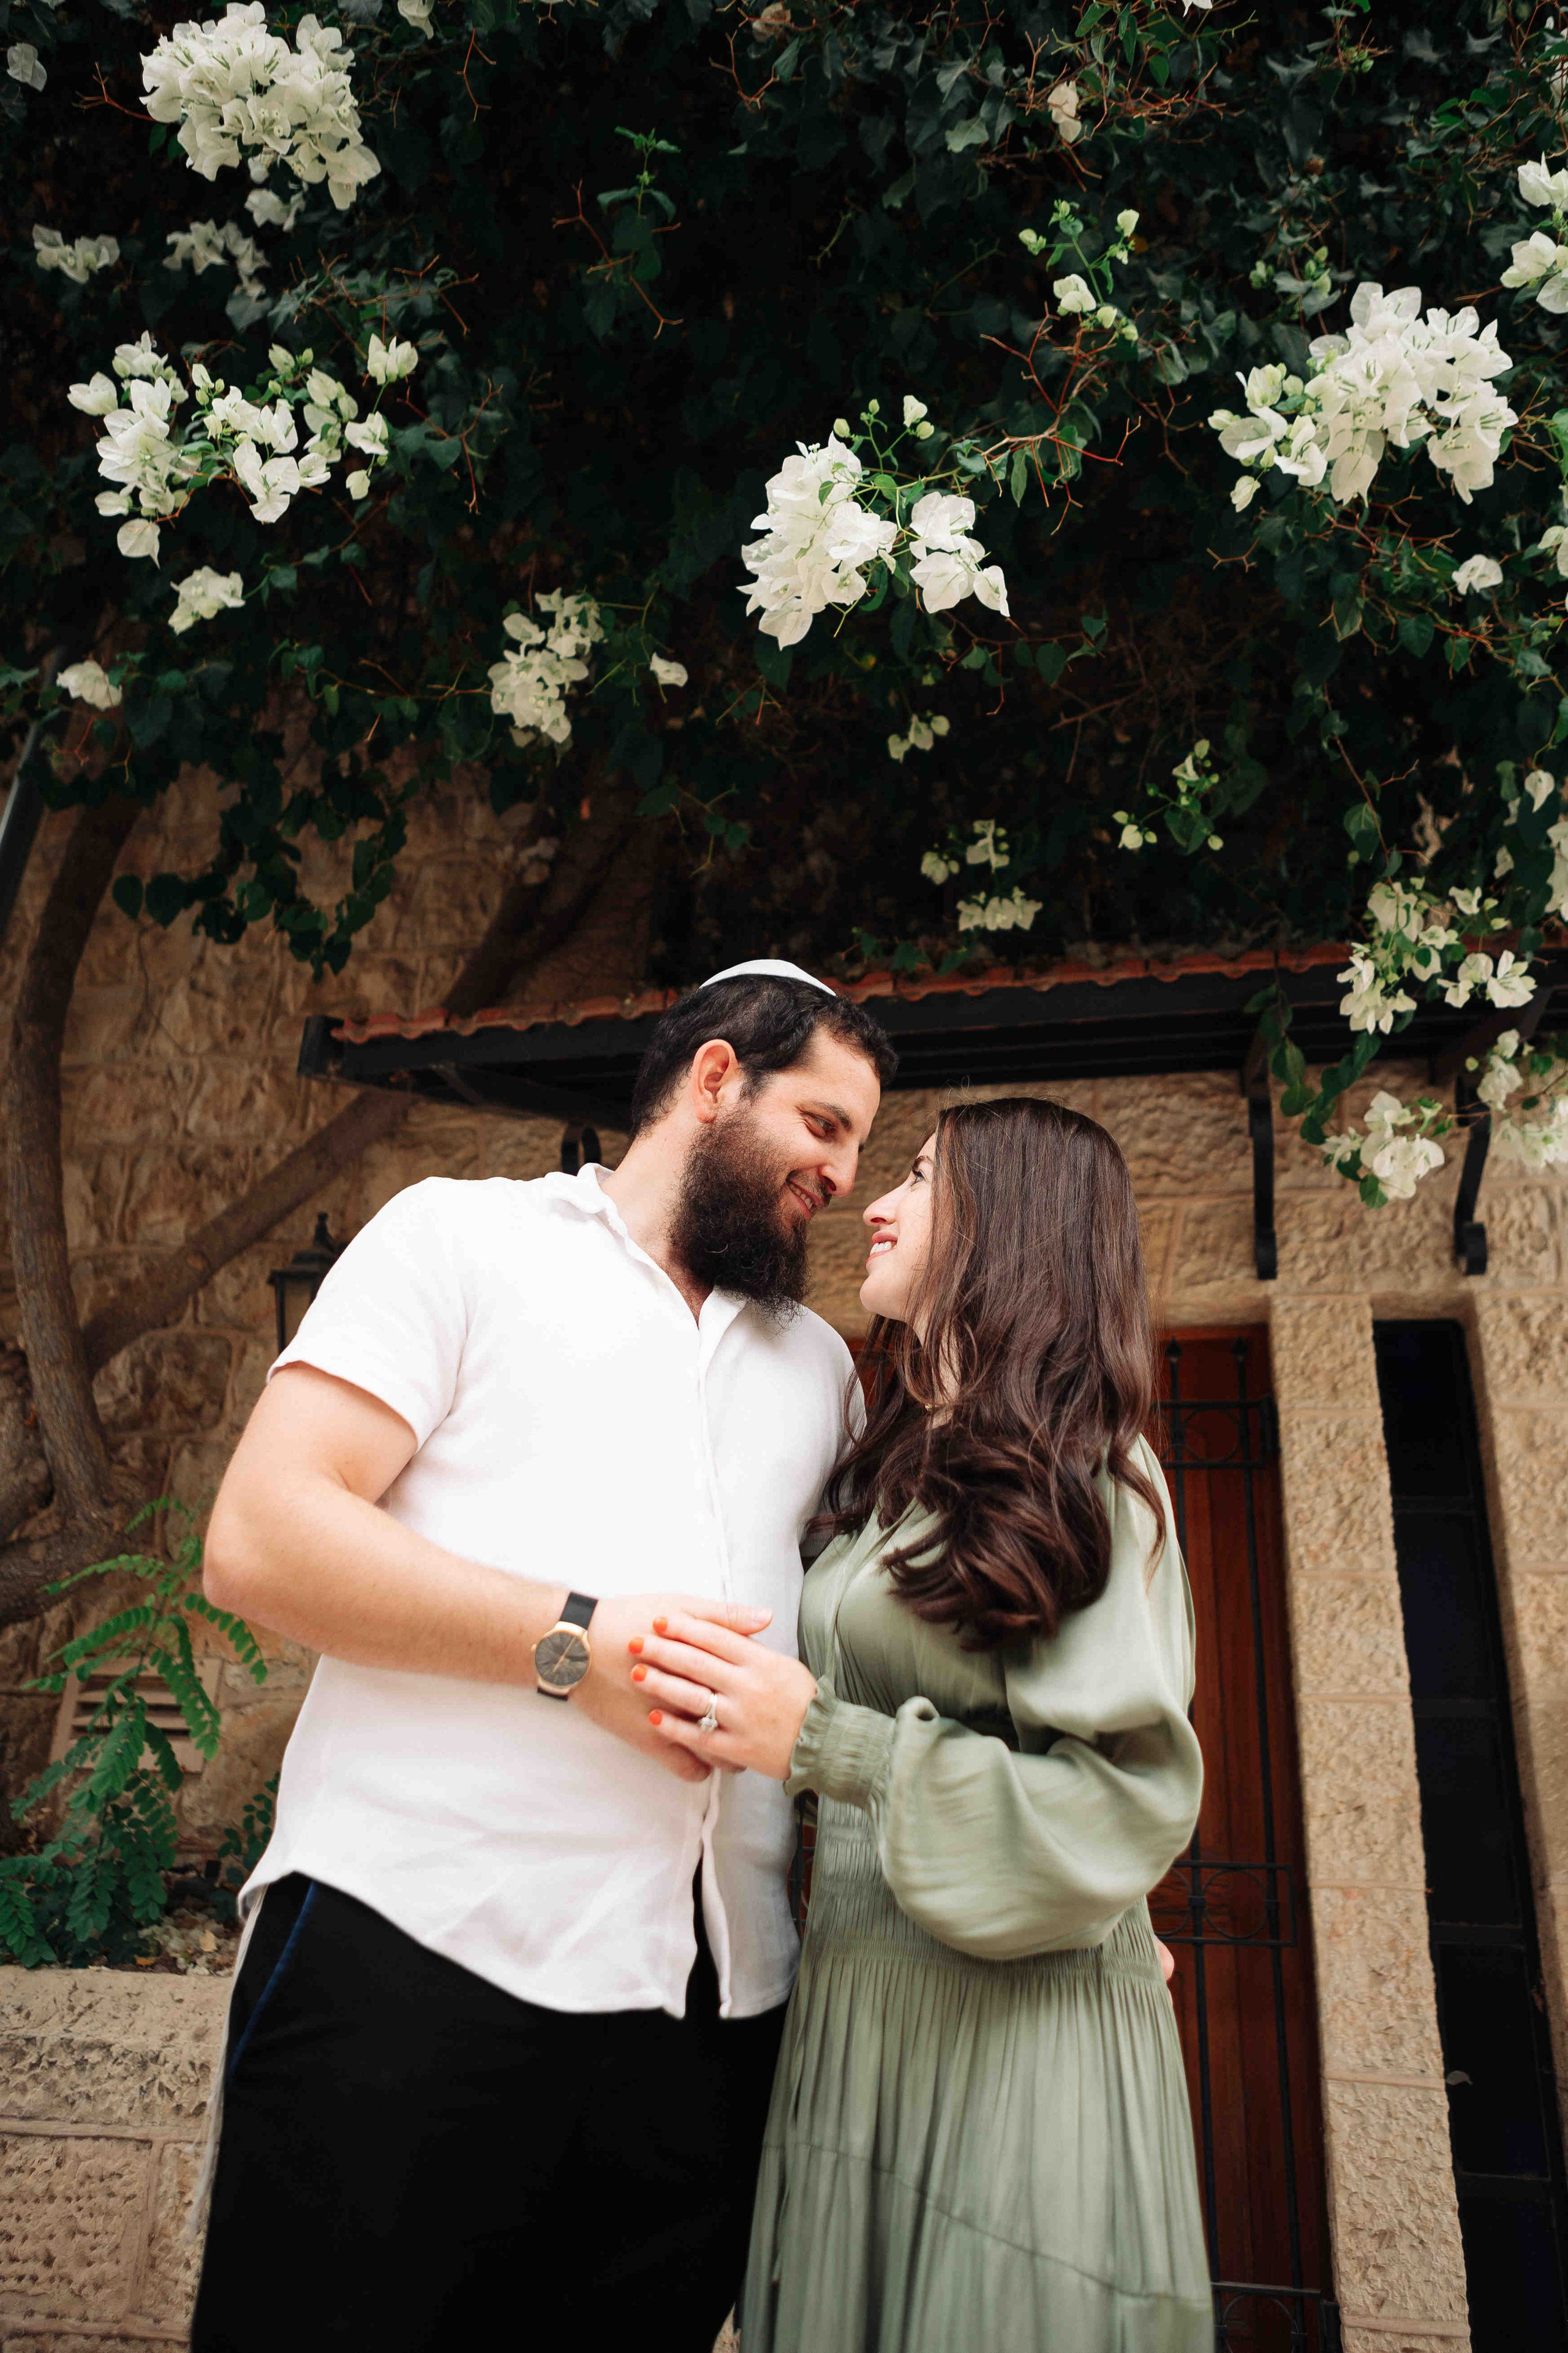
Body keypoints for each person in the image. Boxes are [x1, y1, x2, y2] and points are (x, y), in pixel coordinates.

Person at [189, 960, 895, 2353]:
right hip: (414, 1960)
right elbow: (260, 1538)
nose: (842, 1173)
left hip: (712, 2019)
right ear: (712, 1080)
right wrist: (577, 1645)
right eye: (822, 1124)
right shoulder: (457, 1241)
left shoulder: (825, 1371)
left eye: (860, 1145)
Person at [630, 1094, 1213, 2352]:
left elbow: (1125, 1800)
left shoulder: (1093, 1476)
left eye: (920, 1177)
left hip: (1012, 2039)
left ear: (1008, 1225)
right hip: (855, 2005)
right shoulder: (896, 1464)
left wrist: (826, 1743)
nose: (873, 1202)